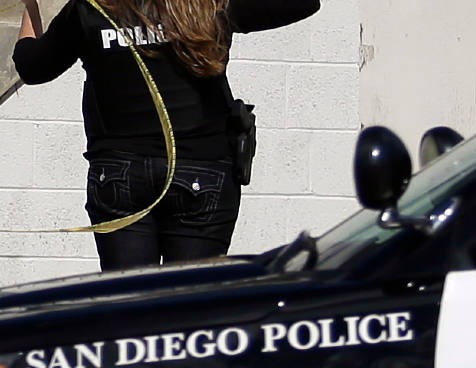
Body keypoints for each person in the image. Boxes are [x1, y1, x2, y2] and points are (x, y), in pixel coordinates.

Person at [12, 0, 319, 270]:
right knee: (188, 310)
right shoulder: (208, 5)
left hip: (120, 178)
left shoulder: (90, 8)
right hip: (202, 174)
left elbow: (32, 66)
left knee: (130, 309)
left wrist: (31, 9)